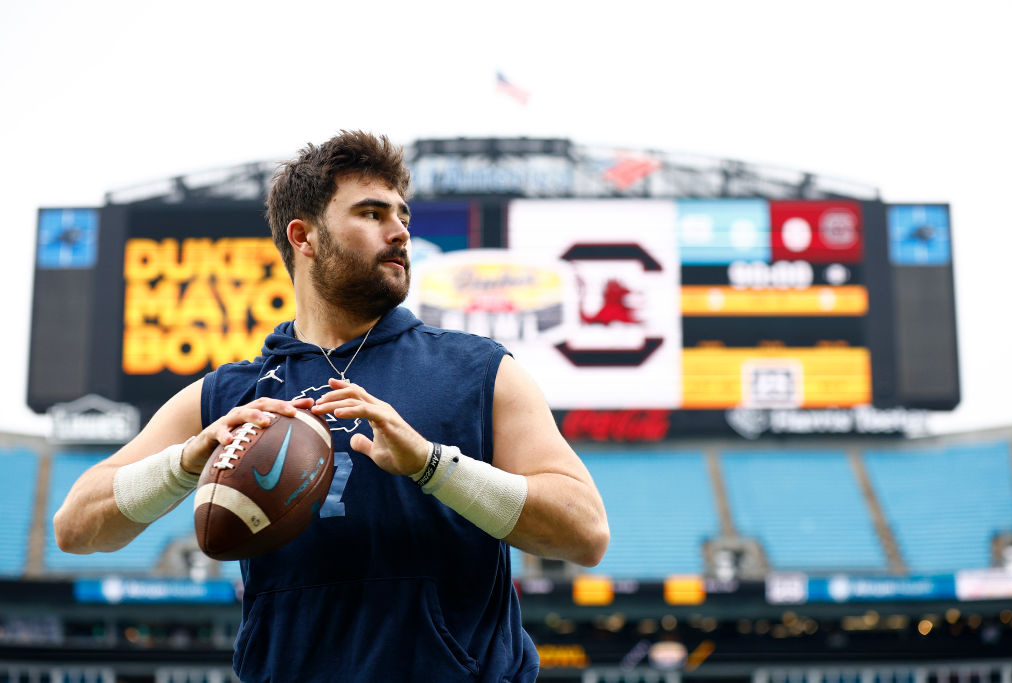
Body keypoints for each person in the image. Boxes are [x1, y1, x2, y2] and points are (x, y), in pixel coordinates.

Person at [53, 130, 610, 682]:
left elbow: (585, 532)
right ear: (304, 236)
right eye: (371, 214)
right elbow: (75, 526)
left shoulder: (480, 372)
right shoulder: (228, 396)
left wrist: (432, 464)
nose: (399, 233)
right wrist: (185, 462)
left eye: (403, 217)